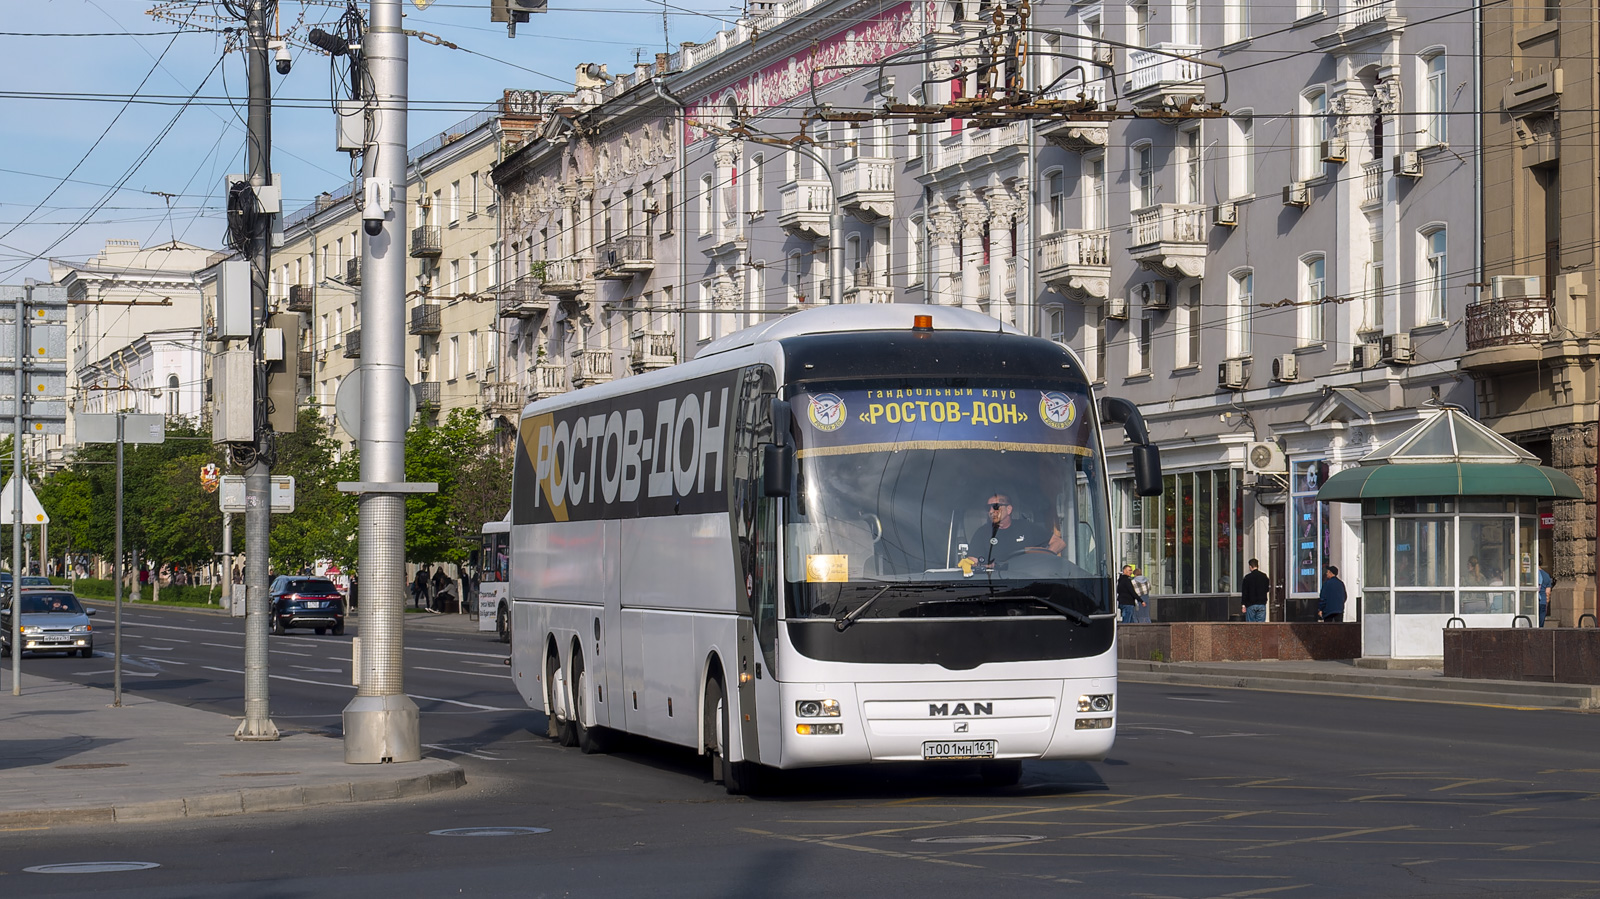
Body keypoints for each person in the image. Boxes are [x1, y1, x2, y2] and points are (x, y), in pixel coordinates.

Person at [964, 494, 1048, 569]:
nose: (990, 511)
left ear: (1009, 509)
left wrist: (1042, 562)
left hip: (1027, 580)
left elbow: (1058, 543)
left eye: (995, 507)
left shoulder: (1026, 526)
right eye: (988, 508)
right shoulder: (982, 533)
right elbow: (972, 562)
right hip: (994, 582)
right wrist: (990, 566)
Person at [1240, 558, 1270, 622]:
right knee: (1260, 626)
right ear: (1258, 566)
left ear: (1250, 567)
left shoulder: (1247, 578)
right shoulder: (1264, 576)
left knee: (1251, 627)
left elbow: (1244, 592)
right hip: (1261, 604)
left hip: (1250, 604)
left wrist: (1243, 605)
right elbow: (1267, 589)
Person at [1537, 562, 1553, 627]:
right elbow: (1548, 592)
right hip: (1543, 601)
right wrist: (1547, 601)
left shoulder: (1531, 574)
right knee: (1541, 624)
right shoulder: (1546, 575)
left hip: (1532, 602)